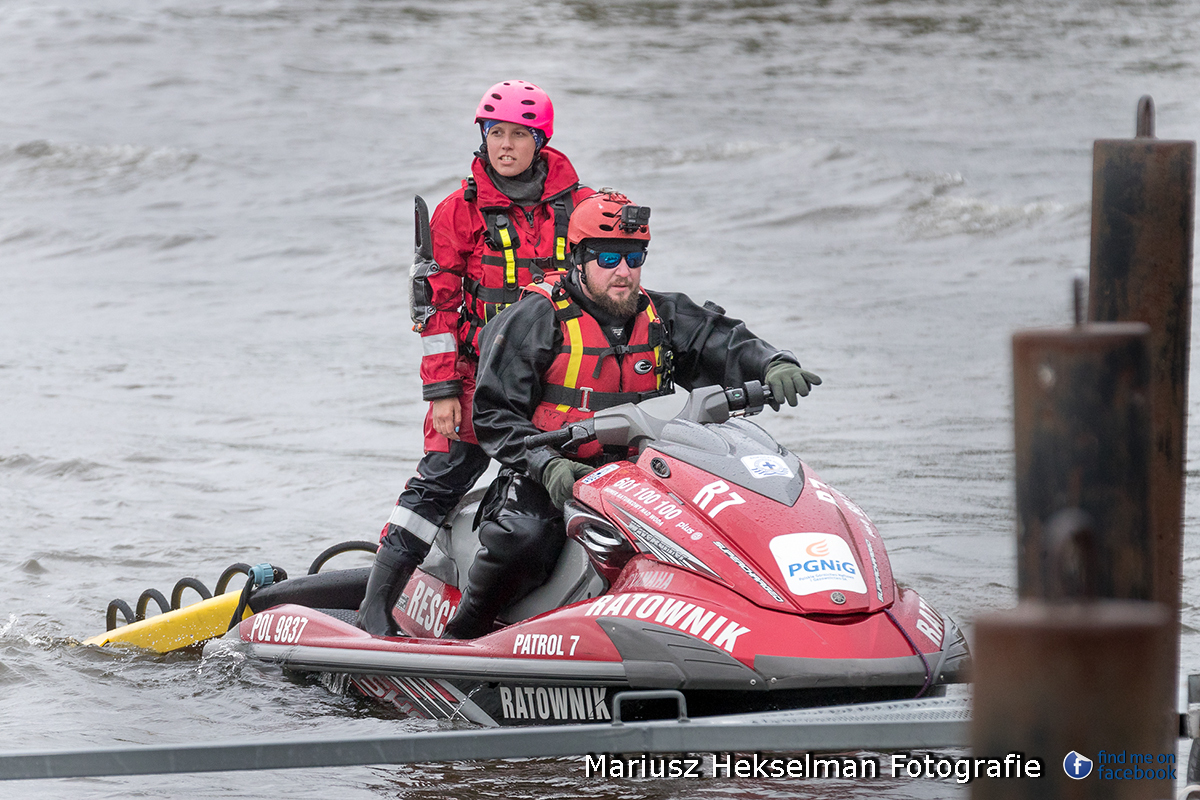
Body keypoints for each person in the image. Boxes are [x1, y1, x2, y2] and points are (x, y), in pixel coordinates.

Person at [441, 189, 821, 639]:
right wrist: (547, 464)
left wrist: (774, 362)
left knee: (733, 522)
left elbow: (723, 341)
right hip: (553, 470)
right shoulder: (533, 318)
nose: (623, 272)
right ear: (577, 259)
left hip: (645, 469)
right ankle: (463, 638)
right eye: (607, 258)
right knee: (523, 539)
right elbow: (494, 416)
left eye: (634, 257)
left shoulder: (664, 315)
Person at [358, 80, 594, 635]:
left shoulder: (584, 208)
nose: (504, 145)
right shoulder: (457, 212)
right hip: (474, 381)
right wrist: (441, 392)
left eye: (518, 134)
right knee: (437, 483)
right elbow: (436, 312)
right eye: (495, 133)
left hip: (554, 381)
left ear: (541, 141)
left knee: (562, 485)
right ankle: (375, 606)